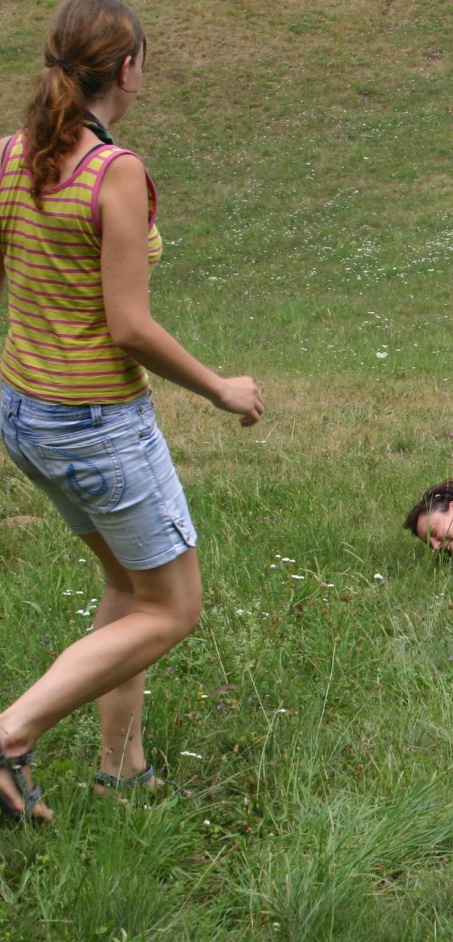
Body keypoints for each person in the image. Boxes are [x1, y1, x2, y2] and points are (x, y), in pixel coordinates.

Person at [0, 0, 264, 824]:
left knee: (127, 583)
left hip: (26, 414)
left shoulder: (12, 155)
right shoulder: (113, 170)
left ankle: (124, 769)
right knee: (173, 607)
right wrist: (221, 387)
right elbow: (130, 327)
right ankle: (10, 736)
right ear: (126, 70)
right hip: (94, 424)